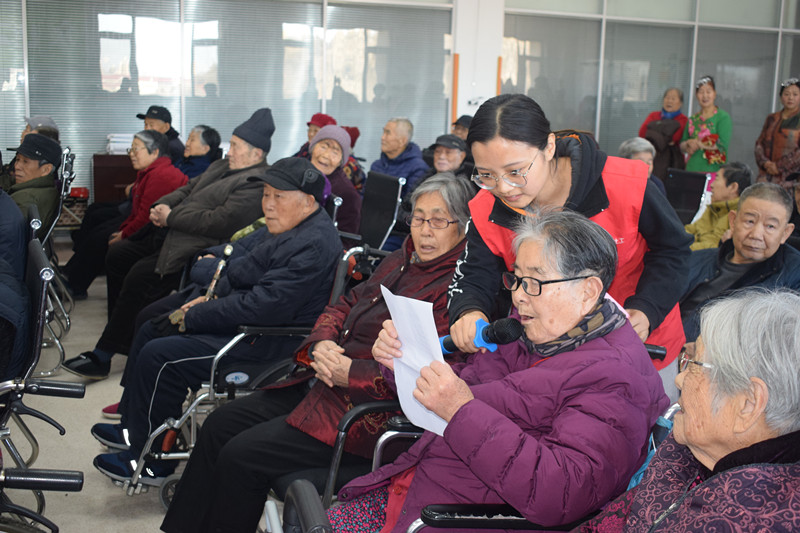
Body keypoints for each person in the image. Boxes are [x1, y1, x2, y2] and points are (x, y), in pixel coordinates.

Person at [159, 174, 473, 533]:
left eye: (438, 221)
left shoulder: (456, 290)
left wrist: (349, 373)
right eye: (418, 219)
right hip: (320, 382)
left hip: (363, 416)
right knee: (219, 424)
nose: (425, 231)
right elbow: (345, 303)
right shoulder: (401, 258)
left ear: (463, 226)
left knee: (241, 455)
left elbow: (431, 375)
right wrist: (321, 343)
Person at [327, 210, 669, 533]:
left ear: (587, 291)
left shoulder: (617, 379)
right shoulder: (531, 330)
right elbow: (469, 383)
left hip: (460, 517)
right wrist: (401, 361)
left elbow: (561, 492)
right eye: (516, 279)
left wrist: (461, 411)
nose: (518, 296)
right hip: (425, 481)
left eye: (534, 282)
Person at [91, 157, 343, 484]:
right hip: (252, 324)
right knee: (153, 326)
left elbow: (262, 307)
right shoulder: (286, 223)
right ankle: (134, 428)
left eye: (278, 196)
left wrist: (195, 314)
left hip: (271, 342)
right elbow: (235, 262)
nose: (268, 203)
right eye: (266, 194)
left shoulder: (312, 244)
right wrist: (211, 295)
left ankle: (151, 462)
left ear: (308, 201)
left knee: (161, 356)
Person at [447, 94, 691, 401]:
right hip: (548, 358)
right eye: (487, 175)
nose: (504, 188)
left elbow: (674, 252)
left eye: (516, 171)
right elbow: (474, 275)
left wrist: (647, 309)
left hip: (641, 344)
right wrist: (469, 311)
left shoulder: (625, 183)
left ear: (549, 147)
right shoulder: (487, 207)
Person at [62, 108, 274, 380]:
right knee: (117, 255)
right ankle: (122, 335)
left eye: (235, 146)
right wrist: (163, 204)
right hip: (171, 233)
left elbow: (219, 221)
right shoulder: (221, 166)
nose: (229, 151)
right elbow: (187, 188)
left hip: (196, 247)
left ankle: (104, 354)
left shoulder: (255, 181)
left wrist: (171, 216)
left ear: (256, 153)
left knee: (139, 276)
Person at [580, 288, 800, 532]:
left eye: (695, 365)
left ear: (748, 404)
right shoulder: (691, 447)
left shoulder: (751, 522)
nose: (679, 379)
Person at [61, 131, 188, 298]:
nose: (131, 154)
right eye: (131, 149)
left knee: (105, 241)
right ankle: (72, 279)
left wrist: (124, 234)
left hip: (156, 235)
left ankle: (76, 286)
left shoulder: (161, 176)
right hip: (147, 228)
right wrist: (124, 230)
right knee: (98, 232)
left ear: (155, 152)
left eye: (136, 149)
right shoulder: (151, 171)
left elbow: (145, 218)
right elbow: (137, 213)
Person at [680, 183, 800, 344]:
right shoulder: (696, 259)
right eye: (749, 221)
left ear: (785, 233)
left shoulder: (794, 277)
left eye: (770, 226)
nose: (756, 234)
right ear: (733, 220)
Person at [307, 125, 362, 235]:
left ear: (341, 161)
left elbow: (347, 239)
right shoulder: (301, 172)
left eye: (335, 152)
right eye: (323, 146)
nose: (326, 155)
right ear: (312, 148)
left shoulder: (347, 194)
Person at [684, 161, 752, 250]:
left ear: (733, 187)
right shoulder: (714, 208)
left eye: (716, 179)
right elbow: (691, 230)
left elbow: (714, 248)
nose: (711, 185)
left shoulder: (739, 216)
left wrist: (682, 250)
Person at [5, 133, 62, 239]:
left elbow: (9, 237)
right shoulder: (44, 189)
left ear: (46, 170)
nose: (17, 166)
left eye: (25, 162)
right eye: (17, 159)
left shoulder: (27, 199)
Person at [754, 77, 800, 190]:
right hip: (766, 176)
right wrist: (766, 163)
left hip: (790, 180)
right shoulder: (772, 118)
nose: (790, 98)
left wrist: (778, 167)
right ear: (780, 97)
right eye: (787, 94)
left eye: (795, 94)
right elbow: (759, 143)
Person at [680, 76, 732, 173]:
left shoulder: (723, 117)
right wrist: (688, 144)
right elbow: (682, 145)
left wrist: (699, 144)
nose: (705, 96)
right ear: (696, 95)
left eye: (708, 91)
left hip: (713, 170)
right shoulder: (693, 119)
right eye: (701, 92)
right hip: (691, 168)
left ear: (714, 94)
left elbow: (722, 144)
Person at [638, 87, 687, 179]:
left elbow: (675, 138)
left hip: (673, 162)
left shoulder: (683, 119)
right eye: (667, 97)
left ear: (680, 103)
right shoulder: (653, 115)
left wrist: (653, 132)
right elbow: (642, 133)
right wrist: (666, 132)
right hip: (653, 158)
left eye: (673, 98)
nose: (669, 101)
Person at [370, 118, 429, 194]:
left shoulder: (418, 169)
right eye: (383, 132)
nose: (382, 137)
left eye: (388, 133)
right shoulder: (376, 165)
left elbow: (411, 199)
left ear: (402, 141)